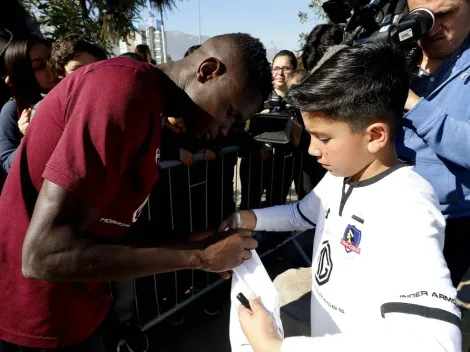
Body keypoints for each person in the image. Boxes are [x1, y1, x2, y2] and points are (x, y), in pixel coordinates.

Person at [0, 32, 271, 351]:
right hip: (36, 318)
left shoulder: (150, 102)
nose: (225, 130)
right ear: (208, 71)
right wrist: (199, 256)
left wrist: (189, 241)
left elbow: (110, 224)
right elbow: (43, 255)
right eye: (230, 113)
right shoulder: (121, 89)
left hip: (78, 307)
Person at [221, 42, 461, 351]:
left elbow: (436, 343)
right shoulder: (340, 177)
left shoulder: (406, 205)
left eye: (323, 138)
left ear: (374, 136)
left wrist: (273, 347)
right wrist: (247, 218)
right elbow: (302, 214)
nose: (311, 149)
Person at [396, 0, 470, 287]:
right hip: (386, 207)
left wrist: (413, 104)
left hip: (447, 222)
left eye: (445, 14)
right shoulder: (401, 52)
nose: (432, 27)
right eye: (422, 17)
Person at [0, 36, 56, 174]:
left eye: (52, 60)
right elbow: (7, 164)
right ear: (24, 73)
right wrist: (31, 136)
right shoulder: (12, 109)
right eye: (39, 66)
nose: (52, 68)